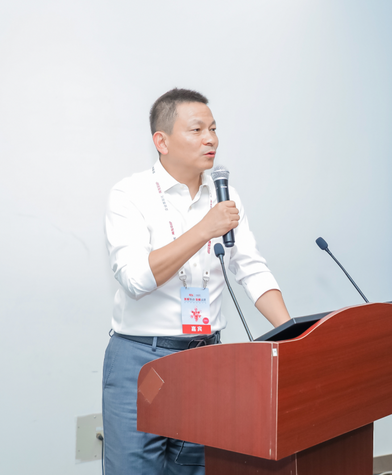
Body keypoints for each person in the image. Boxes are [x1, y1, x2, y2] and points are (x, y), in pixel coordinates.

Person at [102, 88, 291, 474]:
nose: (211, 139)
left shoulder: (224, 194)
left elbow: (251, 268)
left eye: (214, 128)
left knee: (197, 468)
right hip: (142, 359)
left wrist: (293, 334)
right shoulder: (129, 194)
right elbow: (135, 279)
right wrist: (205, 229)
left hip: (207, 357)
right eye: (197, 129)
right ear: (162, 141)